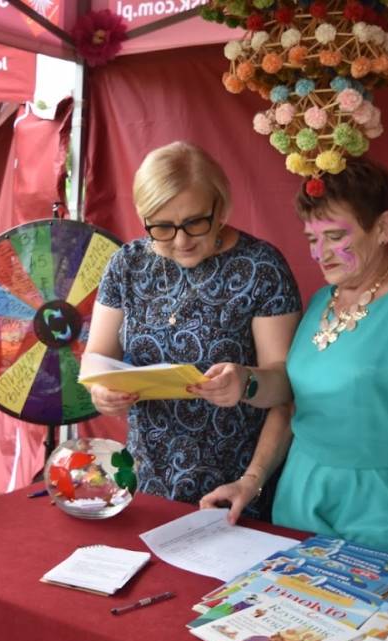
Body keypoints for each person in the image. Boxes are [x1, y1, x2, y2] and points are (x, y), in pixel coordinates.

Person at [198, 158, 388, 615]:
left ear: (384, 227)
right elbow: (292, 404)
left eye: (336, 236)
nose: (321, 254)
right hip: (300, 497)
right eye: (312, 239)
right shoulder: (321, 300)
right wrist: (250, 479)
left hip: (387, 507)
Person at [85, 141, 302, 517]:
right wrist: (101, 391)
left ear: (221, 206)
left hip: (237, 489)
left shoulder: (261, 267)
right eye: (162, 228)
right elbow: (96, 357)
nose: (182, 240)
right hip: (147, 483)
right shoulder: (127, 265)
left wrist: (247, 382)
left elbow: (285, 387)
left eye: (195, 223)